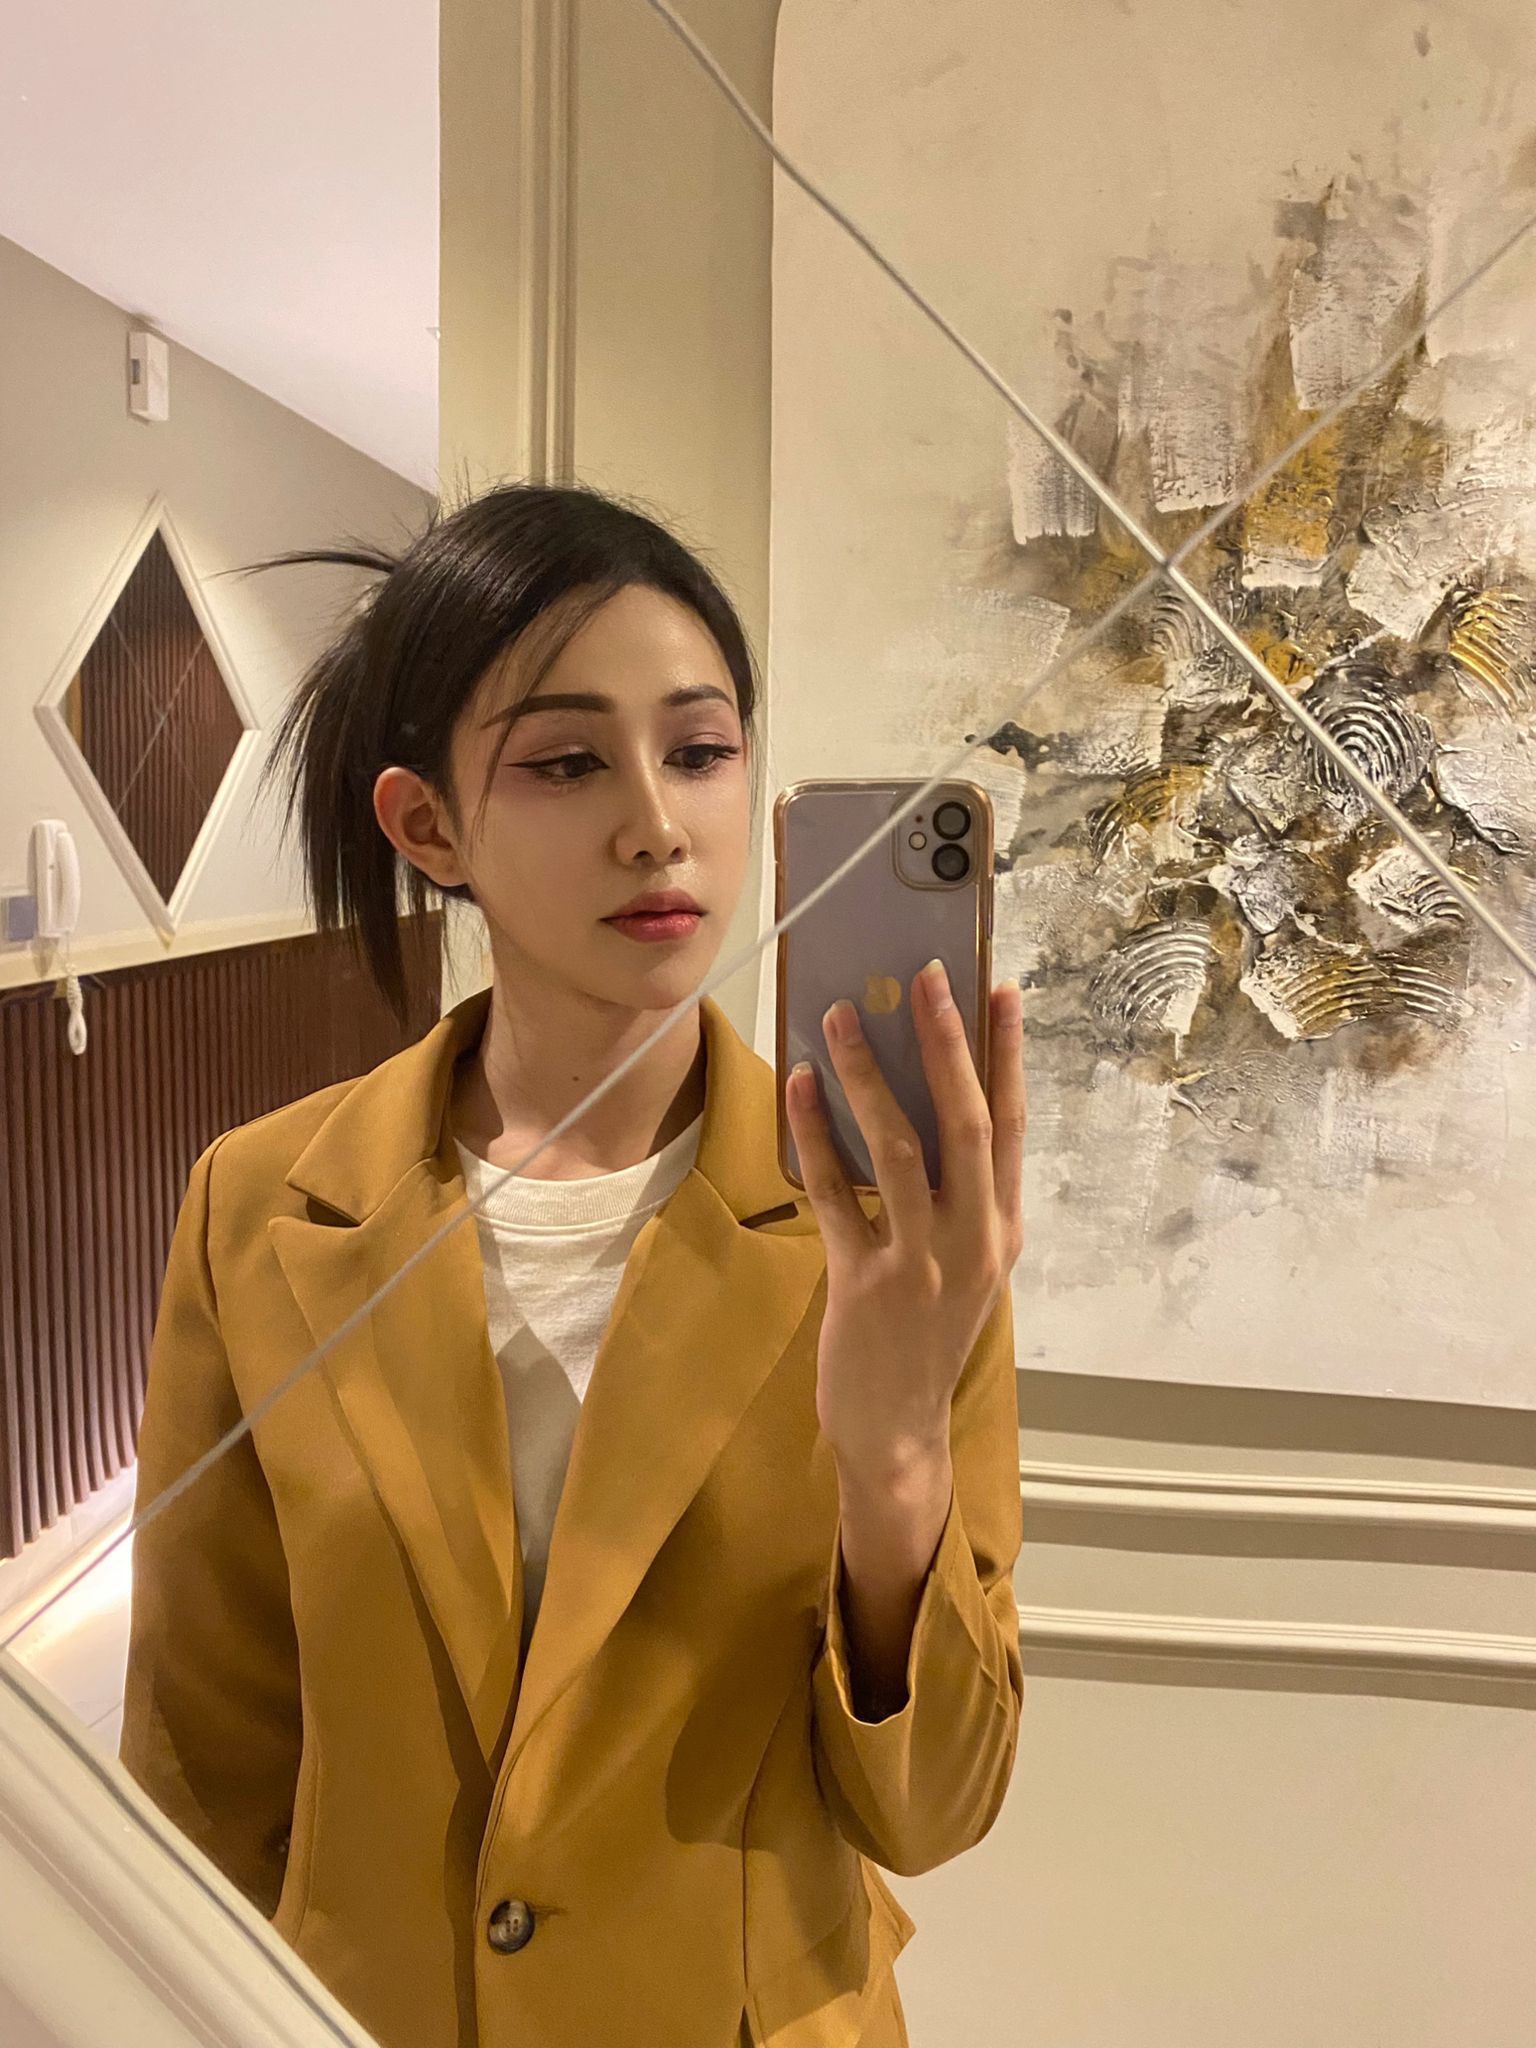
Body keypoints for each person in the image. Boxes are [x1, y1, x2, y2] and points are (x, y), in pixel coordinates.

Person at [119, 484, 1026, 2048]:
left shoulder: (896, 1223)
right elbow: (203, 1765)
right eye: (566, 762)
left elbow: (931, 1809)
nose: (657, 823)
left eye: (700, 749)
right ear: (428, 827)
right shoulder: (261, 1208)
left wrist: (894, 1468)